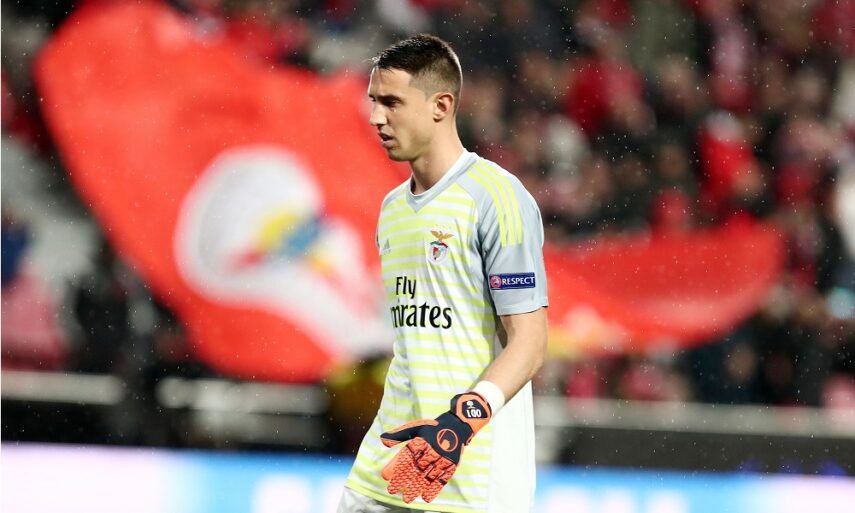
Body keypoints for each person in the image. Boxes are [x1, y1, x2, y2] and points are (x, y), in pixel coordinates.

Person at [338, 34, 549, 513]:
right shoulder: (392, 209)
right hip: (388, 463)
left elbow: (530, 341)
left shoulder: (496, 199)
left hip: (470, 470)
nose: (375, 117)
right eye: (374, 101)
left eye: (391, 102)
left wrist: (459, 423)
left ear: (441, 106)